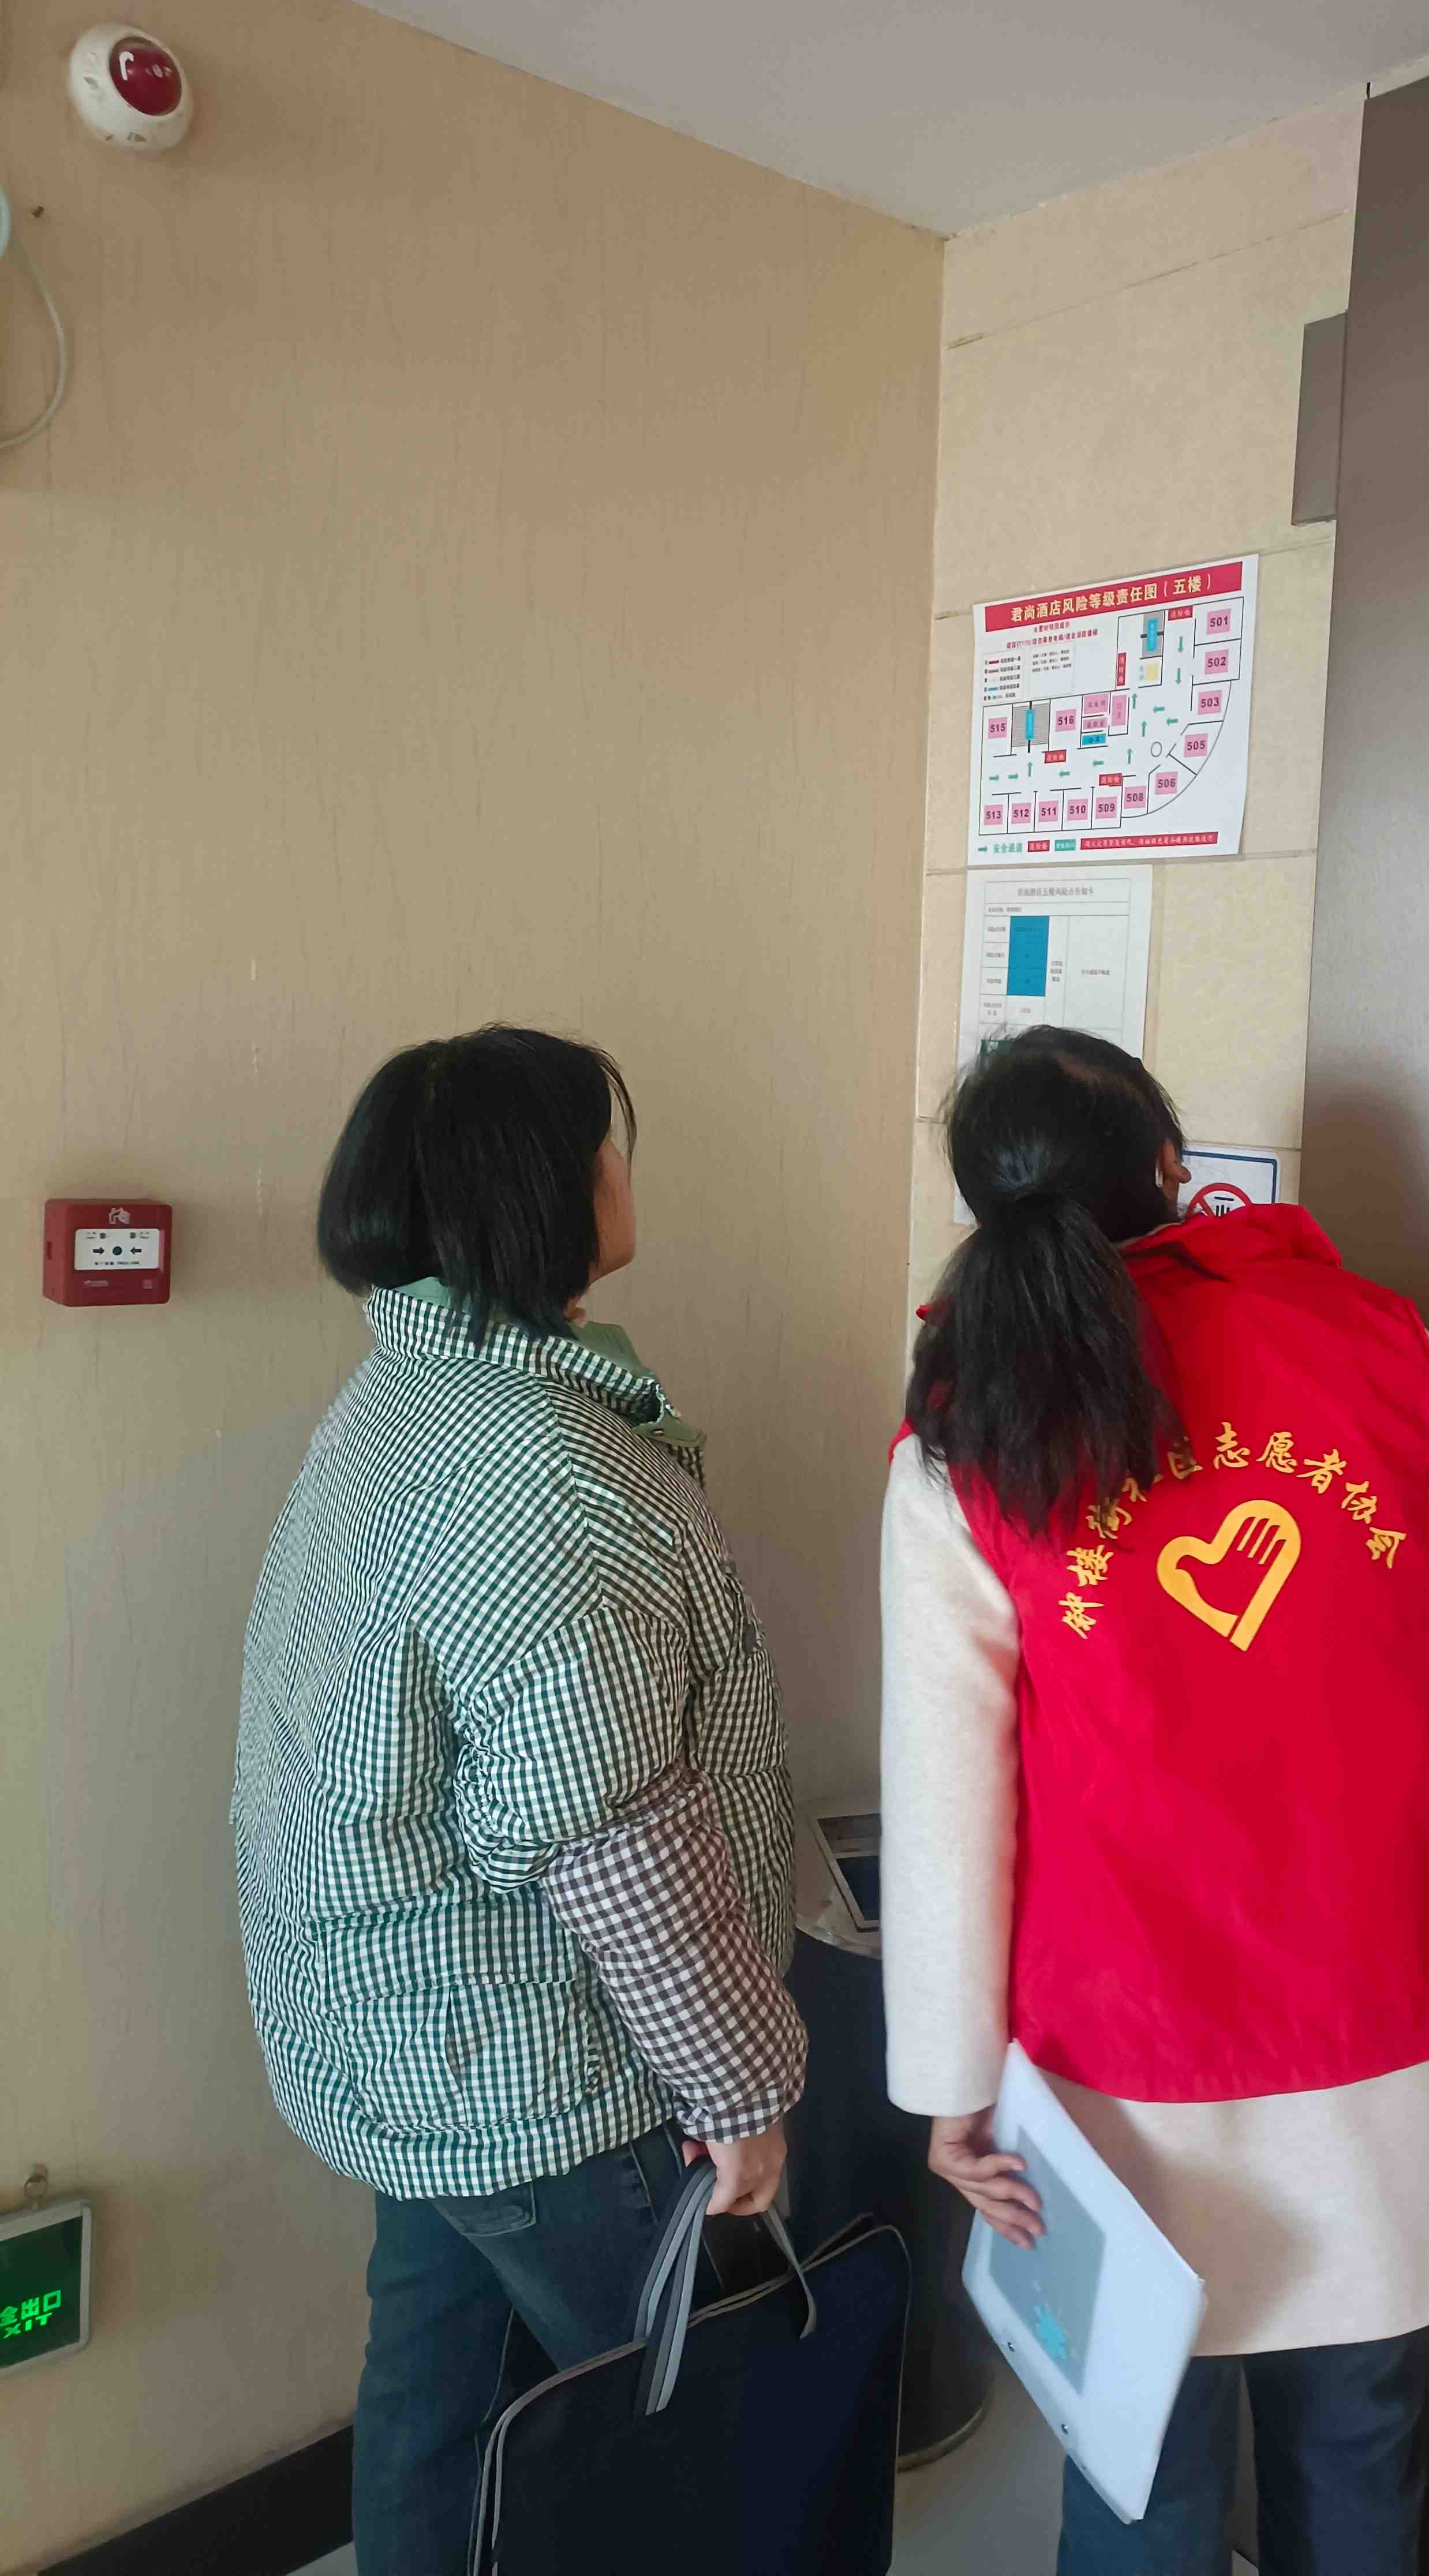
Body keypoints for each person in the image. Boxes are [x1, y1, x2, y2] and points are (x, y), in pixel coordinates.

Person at [880, 1027, 1429, 2576]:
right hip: (1381, 2000)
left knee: (1136, 2453)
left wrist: (949, 2081)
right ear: (1170, 1171)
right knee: (1359, 2424)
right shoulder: (1373, 1343)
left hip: (1125, 2042)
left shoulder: (970, 1418)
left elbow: (950, 1788)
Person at [234, 1025, 805, 2576]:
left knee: (429, 2393)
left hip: (400, 2040)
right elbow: (614, 1839)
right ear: (540, 1189)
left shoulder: (404, 1393)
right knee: (678, 2431)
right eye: (601, 1139)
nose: (622, 1167)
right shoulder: (542, 1473)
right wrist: (740, 2094)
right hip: (538, 2068)